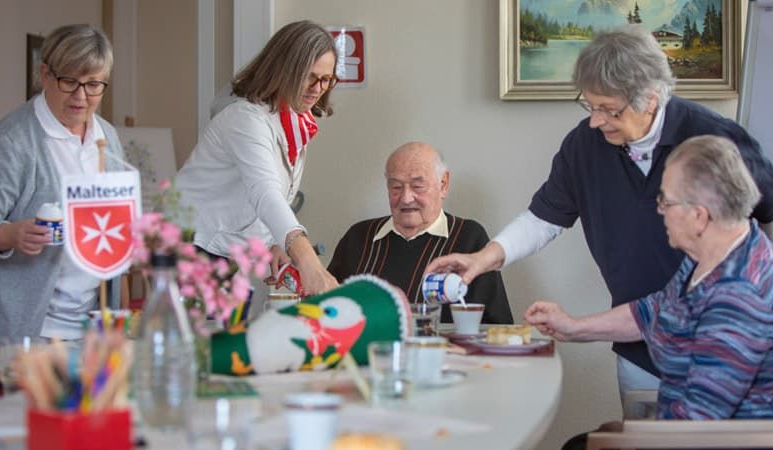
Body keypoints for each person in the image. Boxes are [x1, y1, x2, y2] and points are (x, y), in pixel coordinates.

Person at [426, 25, 773, 406]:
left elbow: (761, 213)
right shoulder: (585, 144)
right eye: (590, 106)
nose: (596, 120)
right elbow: (545, 218)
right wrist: (483, 260)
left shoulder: (713, 140)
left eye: (609, 109)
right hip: (636, 343)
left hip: (717, 338)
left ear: (651, 97)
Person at [525, 136, 773, 449]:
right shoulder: (716, 254)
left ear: (699, 215)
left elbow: (696, 429)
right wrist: (573, 326)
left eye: (665, 202)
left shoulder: (737, 299)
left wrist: (627, 438)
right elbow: (654, 310)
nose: (659, 211)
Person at [0, 24, 124, 357]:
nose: (81, 96)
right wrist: (8, 234)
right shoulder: (14, 141)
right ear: (45, 74)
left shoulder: (107, 137)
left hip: (90, 327)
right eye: (69, 81)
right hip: (29, 333)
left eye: (94, 84)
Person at [176, 20, 339, 298]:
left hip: (228, 251)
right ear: (284, 71)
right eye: (310, 77)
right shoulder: (245, 119)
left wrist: (278, 242)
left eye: (326, 79)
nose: (318, 88)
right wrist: (308, 262)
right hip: (193, 247)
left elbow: (276, 199)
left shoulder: (295, 121)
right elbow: (265, 193)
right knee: (202, 337)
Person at [328, 142, 512, 324]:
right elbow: (324, 311)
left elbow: (497, 326)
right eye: (396, 187)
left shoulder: (469, 238)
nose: (406, 198)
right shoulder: (359, 236)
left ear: (443, 184)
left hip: (443, 353)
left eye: (418, 186)